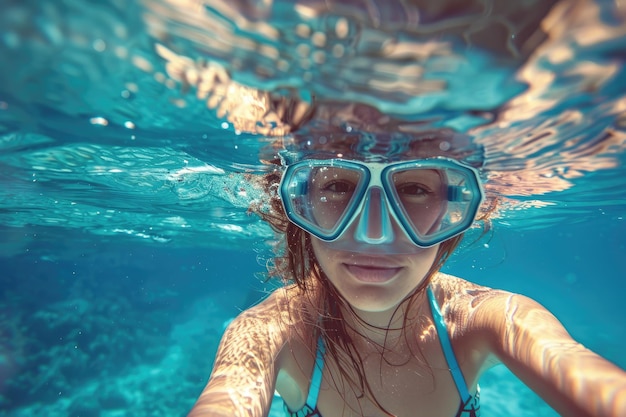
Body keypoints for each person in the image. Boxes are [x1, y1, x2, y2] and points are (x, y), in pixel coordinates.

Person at [187, 106, 626, 417]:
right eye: (338, 187)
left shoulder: (487, 320)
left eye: (415, 190)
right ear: (297, 205)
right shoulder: (269, 332)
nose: (374, 234)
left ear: (456, 212)